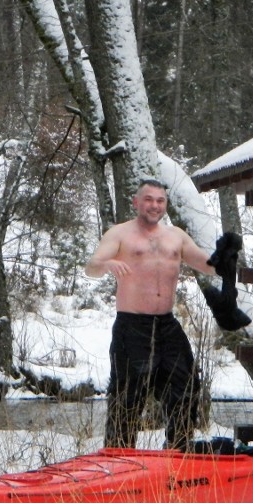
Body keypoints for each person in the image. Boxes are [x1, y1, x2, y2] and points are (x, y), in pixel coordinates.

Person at [84, 179, 216, 450]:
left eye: (160, 200)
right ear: (136, 202)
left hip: (167, 324)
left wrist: (226, 261)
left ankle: (179, 447)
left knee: (185, 385)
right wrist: (107, 263)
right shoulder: (120, 234)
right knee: (128, 393)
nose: (154, 205)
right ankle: (119, 454)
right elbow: (91, 267)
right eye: (149, 199)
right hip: (132, 324)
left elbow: (206, 264)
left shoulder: (175, 235)